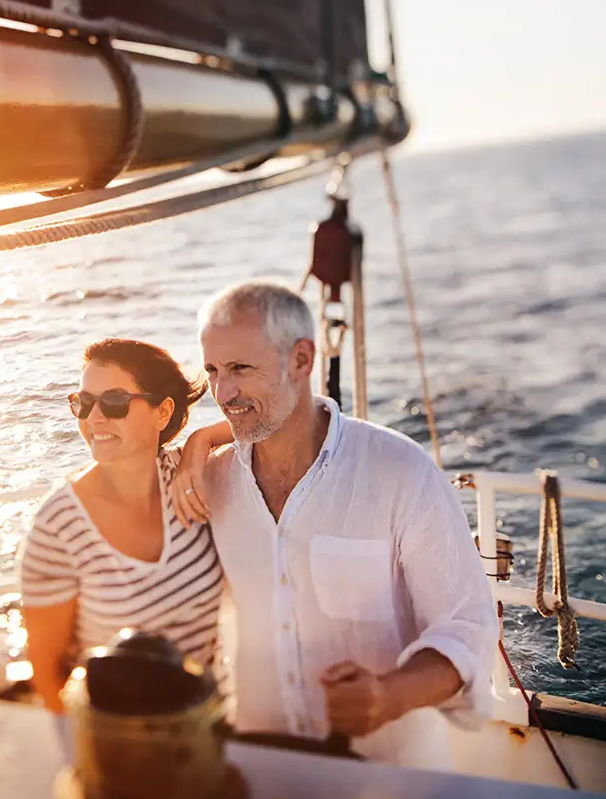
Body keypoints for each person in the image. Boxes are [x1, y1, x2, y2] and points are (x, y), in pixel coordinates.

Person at [169, 280, 496, 769]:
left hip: (395, 776)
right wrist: (197, 441)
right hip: (263, 768)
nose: (222, 392)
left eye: (240, 368)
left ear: (301, 360)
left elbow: (467, 625)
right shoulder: (209, 480)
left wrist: (391, 694)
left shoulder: (399, 470)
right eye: (213, 370)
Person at [17, 338, 233, 712]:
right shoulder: (58, 525)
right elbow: (47, 672)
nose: (94, 418)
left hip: (207, 723)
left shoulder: (192, 477)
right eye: (82, 403)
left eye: (114, 402)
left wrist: (202, 440)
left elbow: (276, 422)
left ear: (162, 412)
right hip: (119, 738)